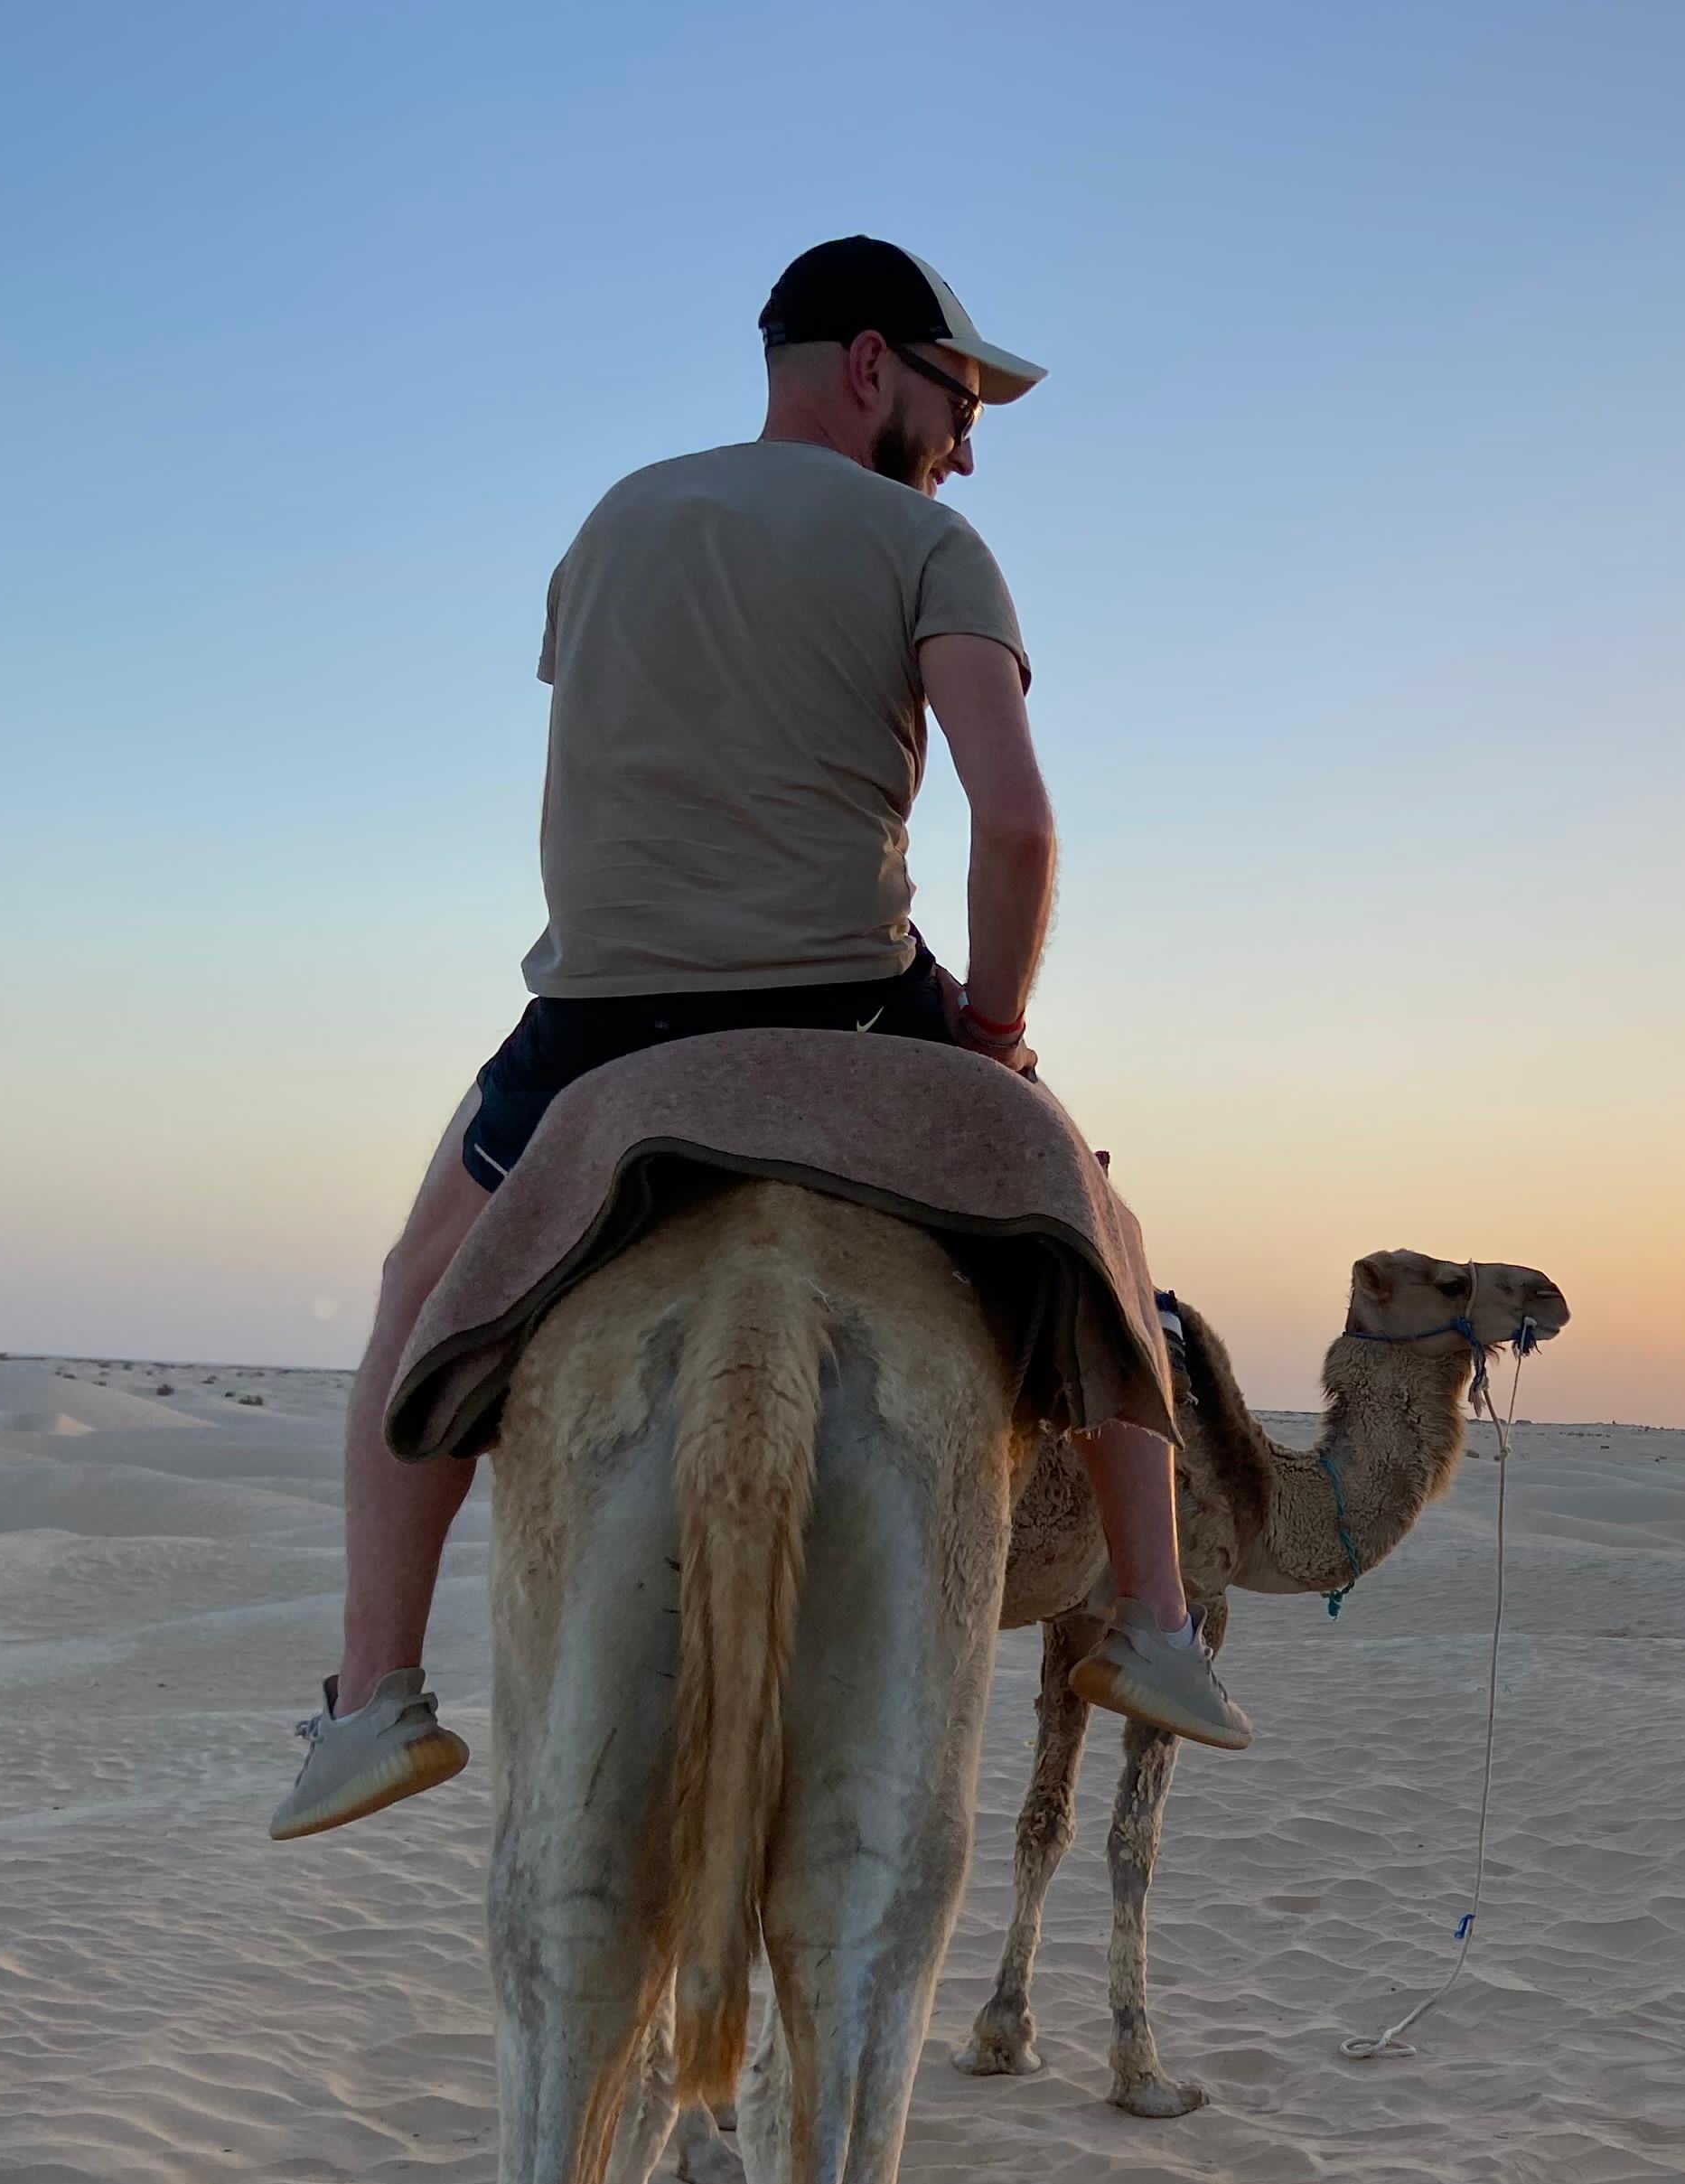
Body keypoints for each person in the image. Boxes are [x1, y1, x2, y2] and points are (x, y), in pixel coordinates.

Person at [271, 236, 1247, 1842]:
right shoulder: (934, 542)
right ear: (872, 364)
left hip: (592, 1030)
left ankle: (369, 1697)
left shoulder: (610, 523)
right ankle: (1151, 1623)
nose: (969, 436)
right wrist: (990, 1035)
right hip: (850, 1008)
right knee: (1099, 1217)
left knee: (412, 1289)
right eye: (957, 392)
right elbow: (1016, 826)